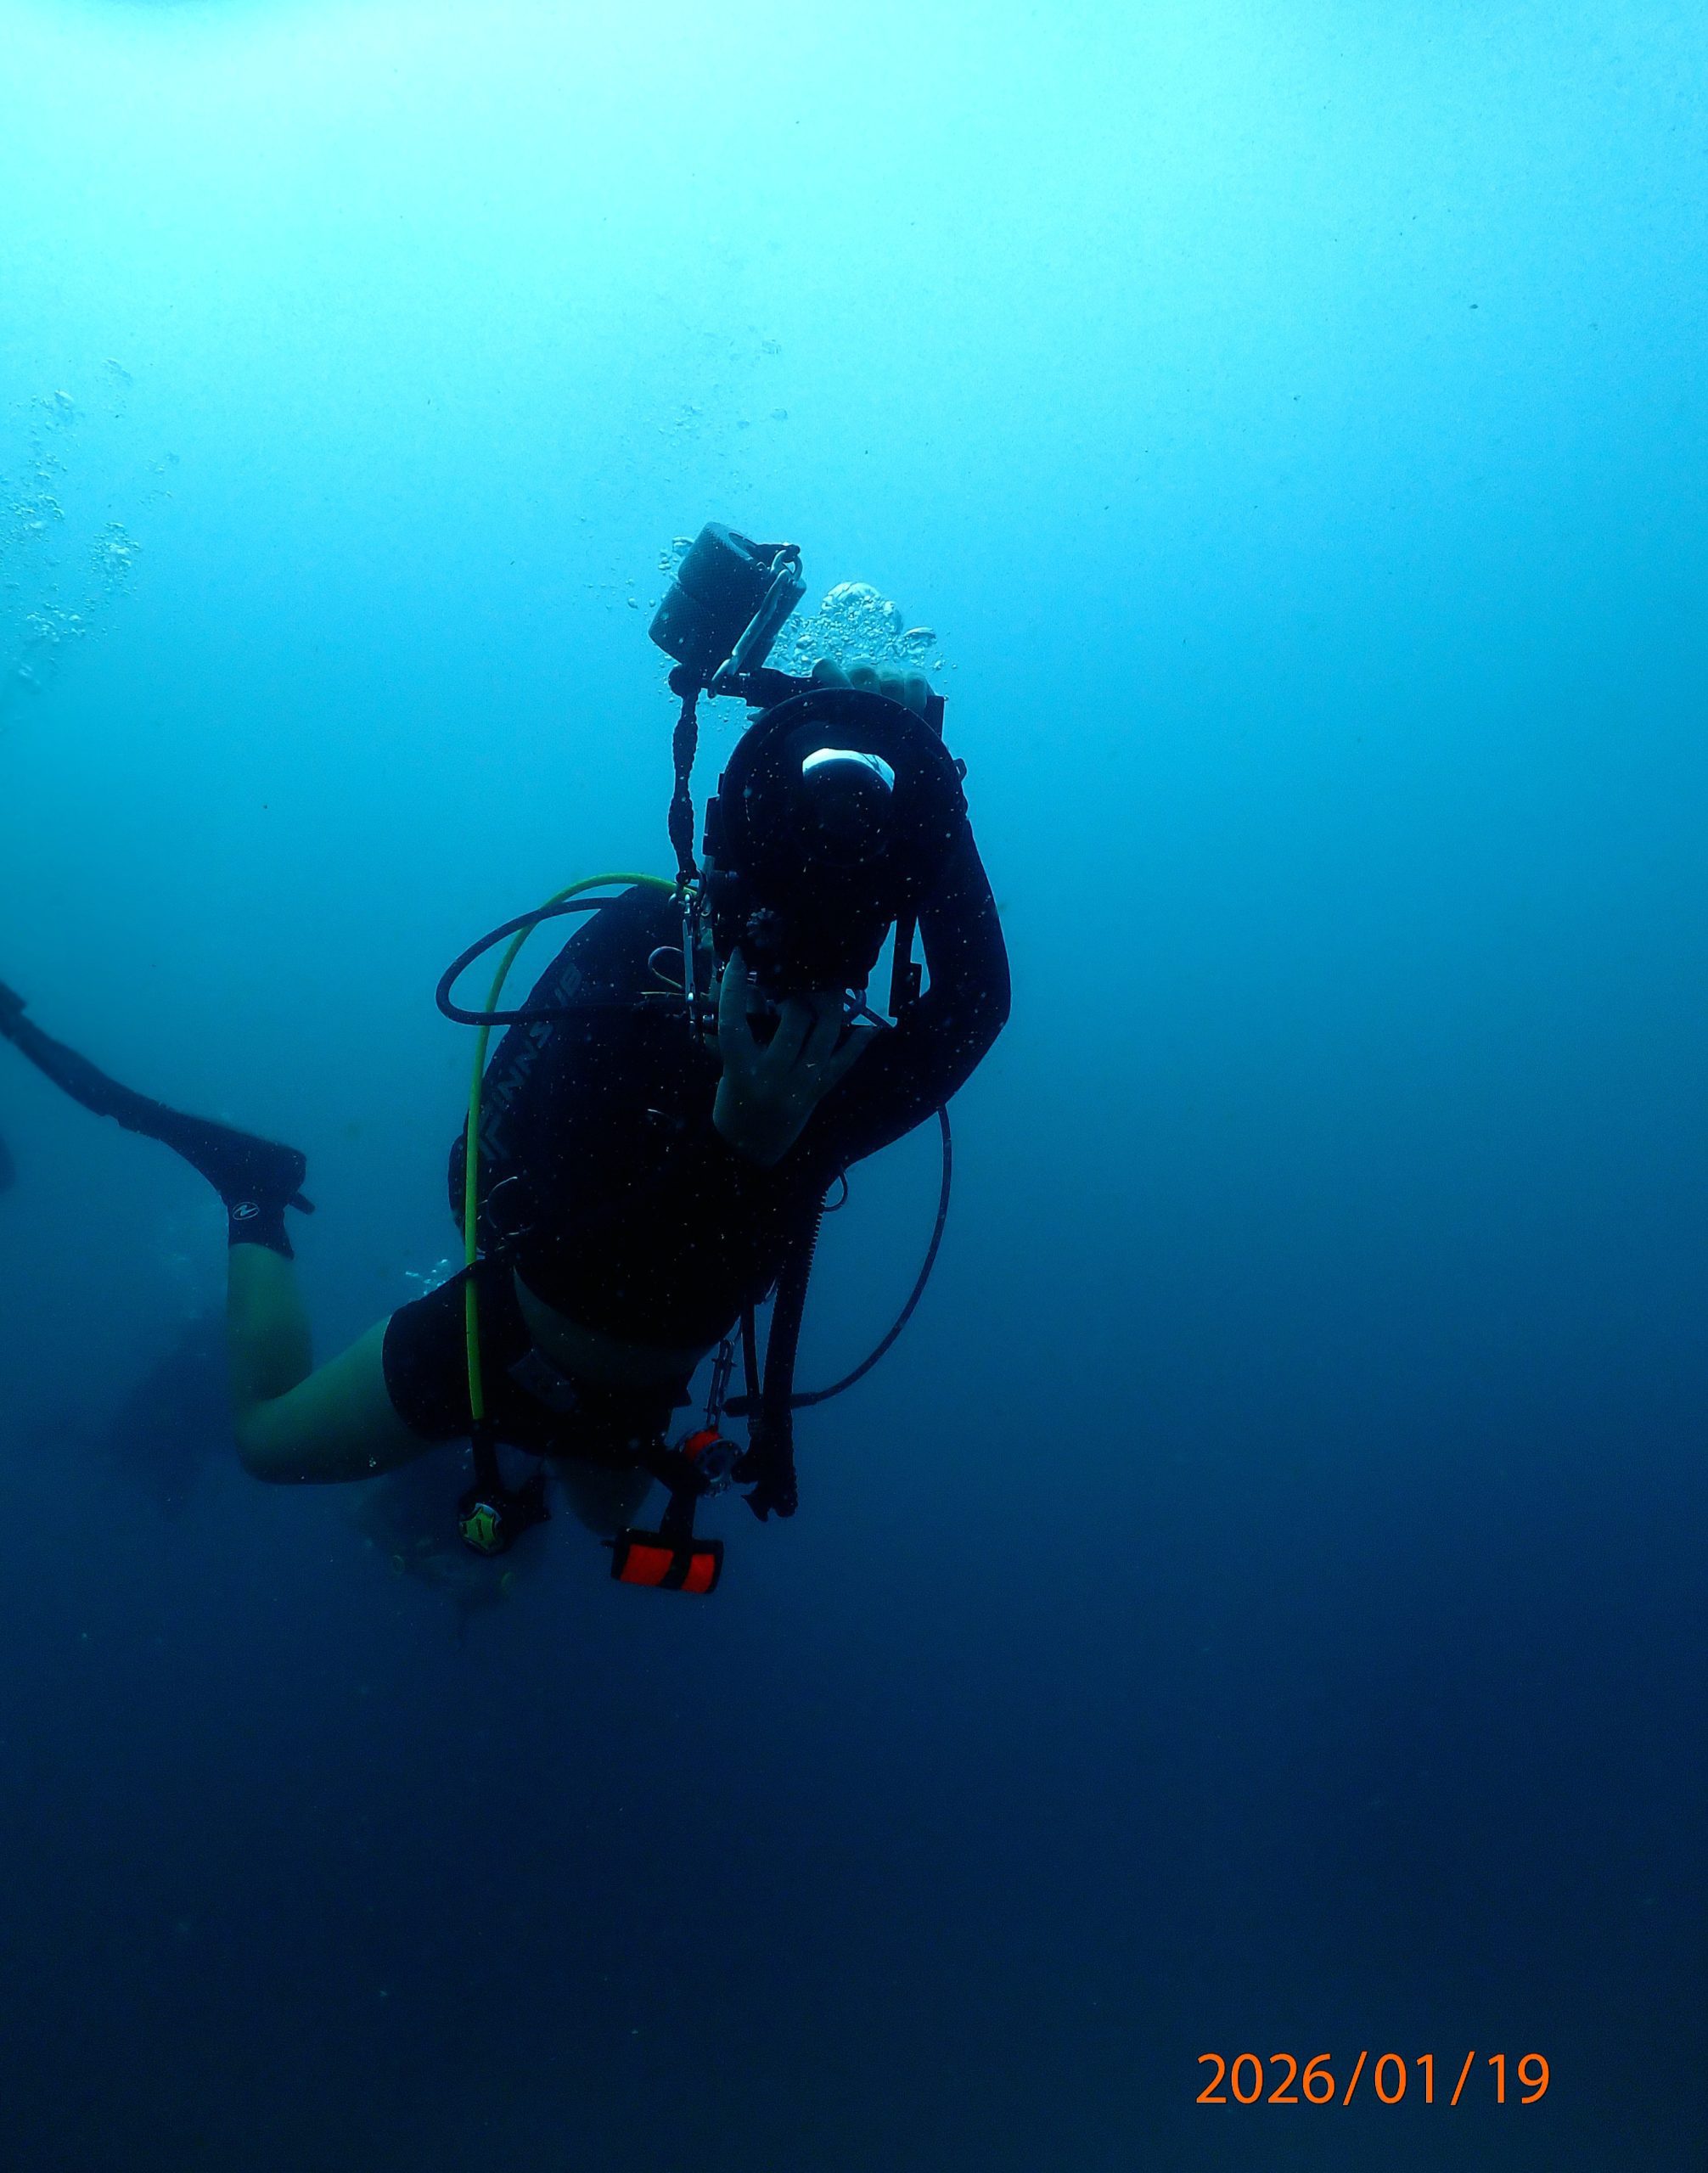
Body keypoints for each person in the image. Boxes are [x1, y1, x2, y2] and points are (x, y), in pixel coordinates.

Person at [0, 659, 1009, 1558]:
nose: (823, 921)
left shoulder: (823, 1073)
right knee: (266, 1440)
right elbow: (551, 1248)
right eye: (806, 868)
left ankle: (555, 1466)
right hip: (502, 1340)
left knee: (609, 1517)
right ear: (737, 864)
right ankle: (252, 1194)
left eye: (860, 881)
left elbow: (973, 1006)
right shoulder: (647, 974)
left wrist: (927, 775)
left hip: (621, 1393)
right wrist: (738, 1146)